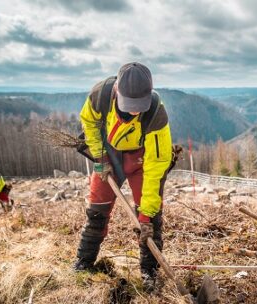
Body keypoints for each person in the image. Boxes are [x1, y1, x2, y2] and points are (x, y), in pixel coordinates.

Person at [74, 62, 172, 292]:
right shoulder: (100, 96)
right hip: (109, 156)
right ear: (117, 90)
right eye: (130, 105)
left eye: (140, 105)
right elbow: (88, 122)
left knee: (152, 220)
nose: (135, 111)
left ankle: (150, 272)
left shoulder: (156, 112)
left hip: (141, 161)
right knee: (97, 211)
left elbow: (157, 164)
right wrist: (100, 156)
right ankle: (83, 262)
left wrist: (146, 216)